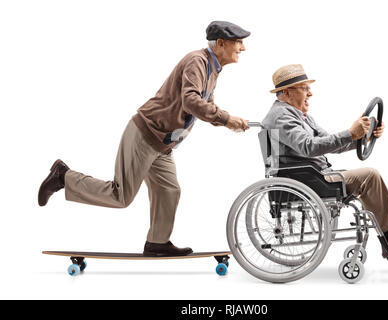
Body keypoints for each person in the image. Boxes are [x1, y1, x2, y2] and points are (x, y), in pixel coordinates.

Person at [38, 21, 250, 256]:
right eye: (238, 42)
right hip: (145, 135)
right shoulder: (197, 61)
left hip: (162, 145)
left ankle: (157, 243)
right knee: (120, 196)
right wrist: (226, 118)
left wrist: (227, 121)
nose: (243, 48)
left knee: (169, 190)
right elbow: (191, 101)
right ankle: (63, 177)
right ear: (220, 43)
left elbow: (205, 105)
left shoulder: (212, 68)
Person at [261, 64, 388, 258]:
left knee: (366, 176)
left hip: (313, 175)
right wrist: (350, 133)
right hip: (305, 179)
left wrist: (361, 136)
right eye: (305, 88)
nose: (311, 93)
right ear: (287, 92)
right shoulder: (281, 116)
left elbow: (329, 143)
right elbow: (309, 147)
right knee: (370, 176)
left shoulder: (300, 116)